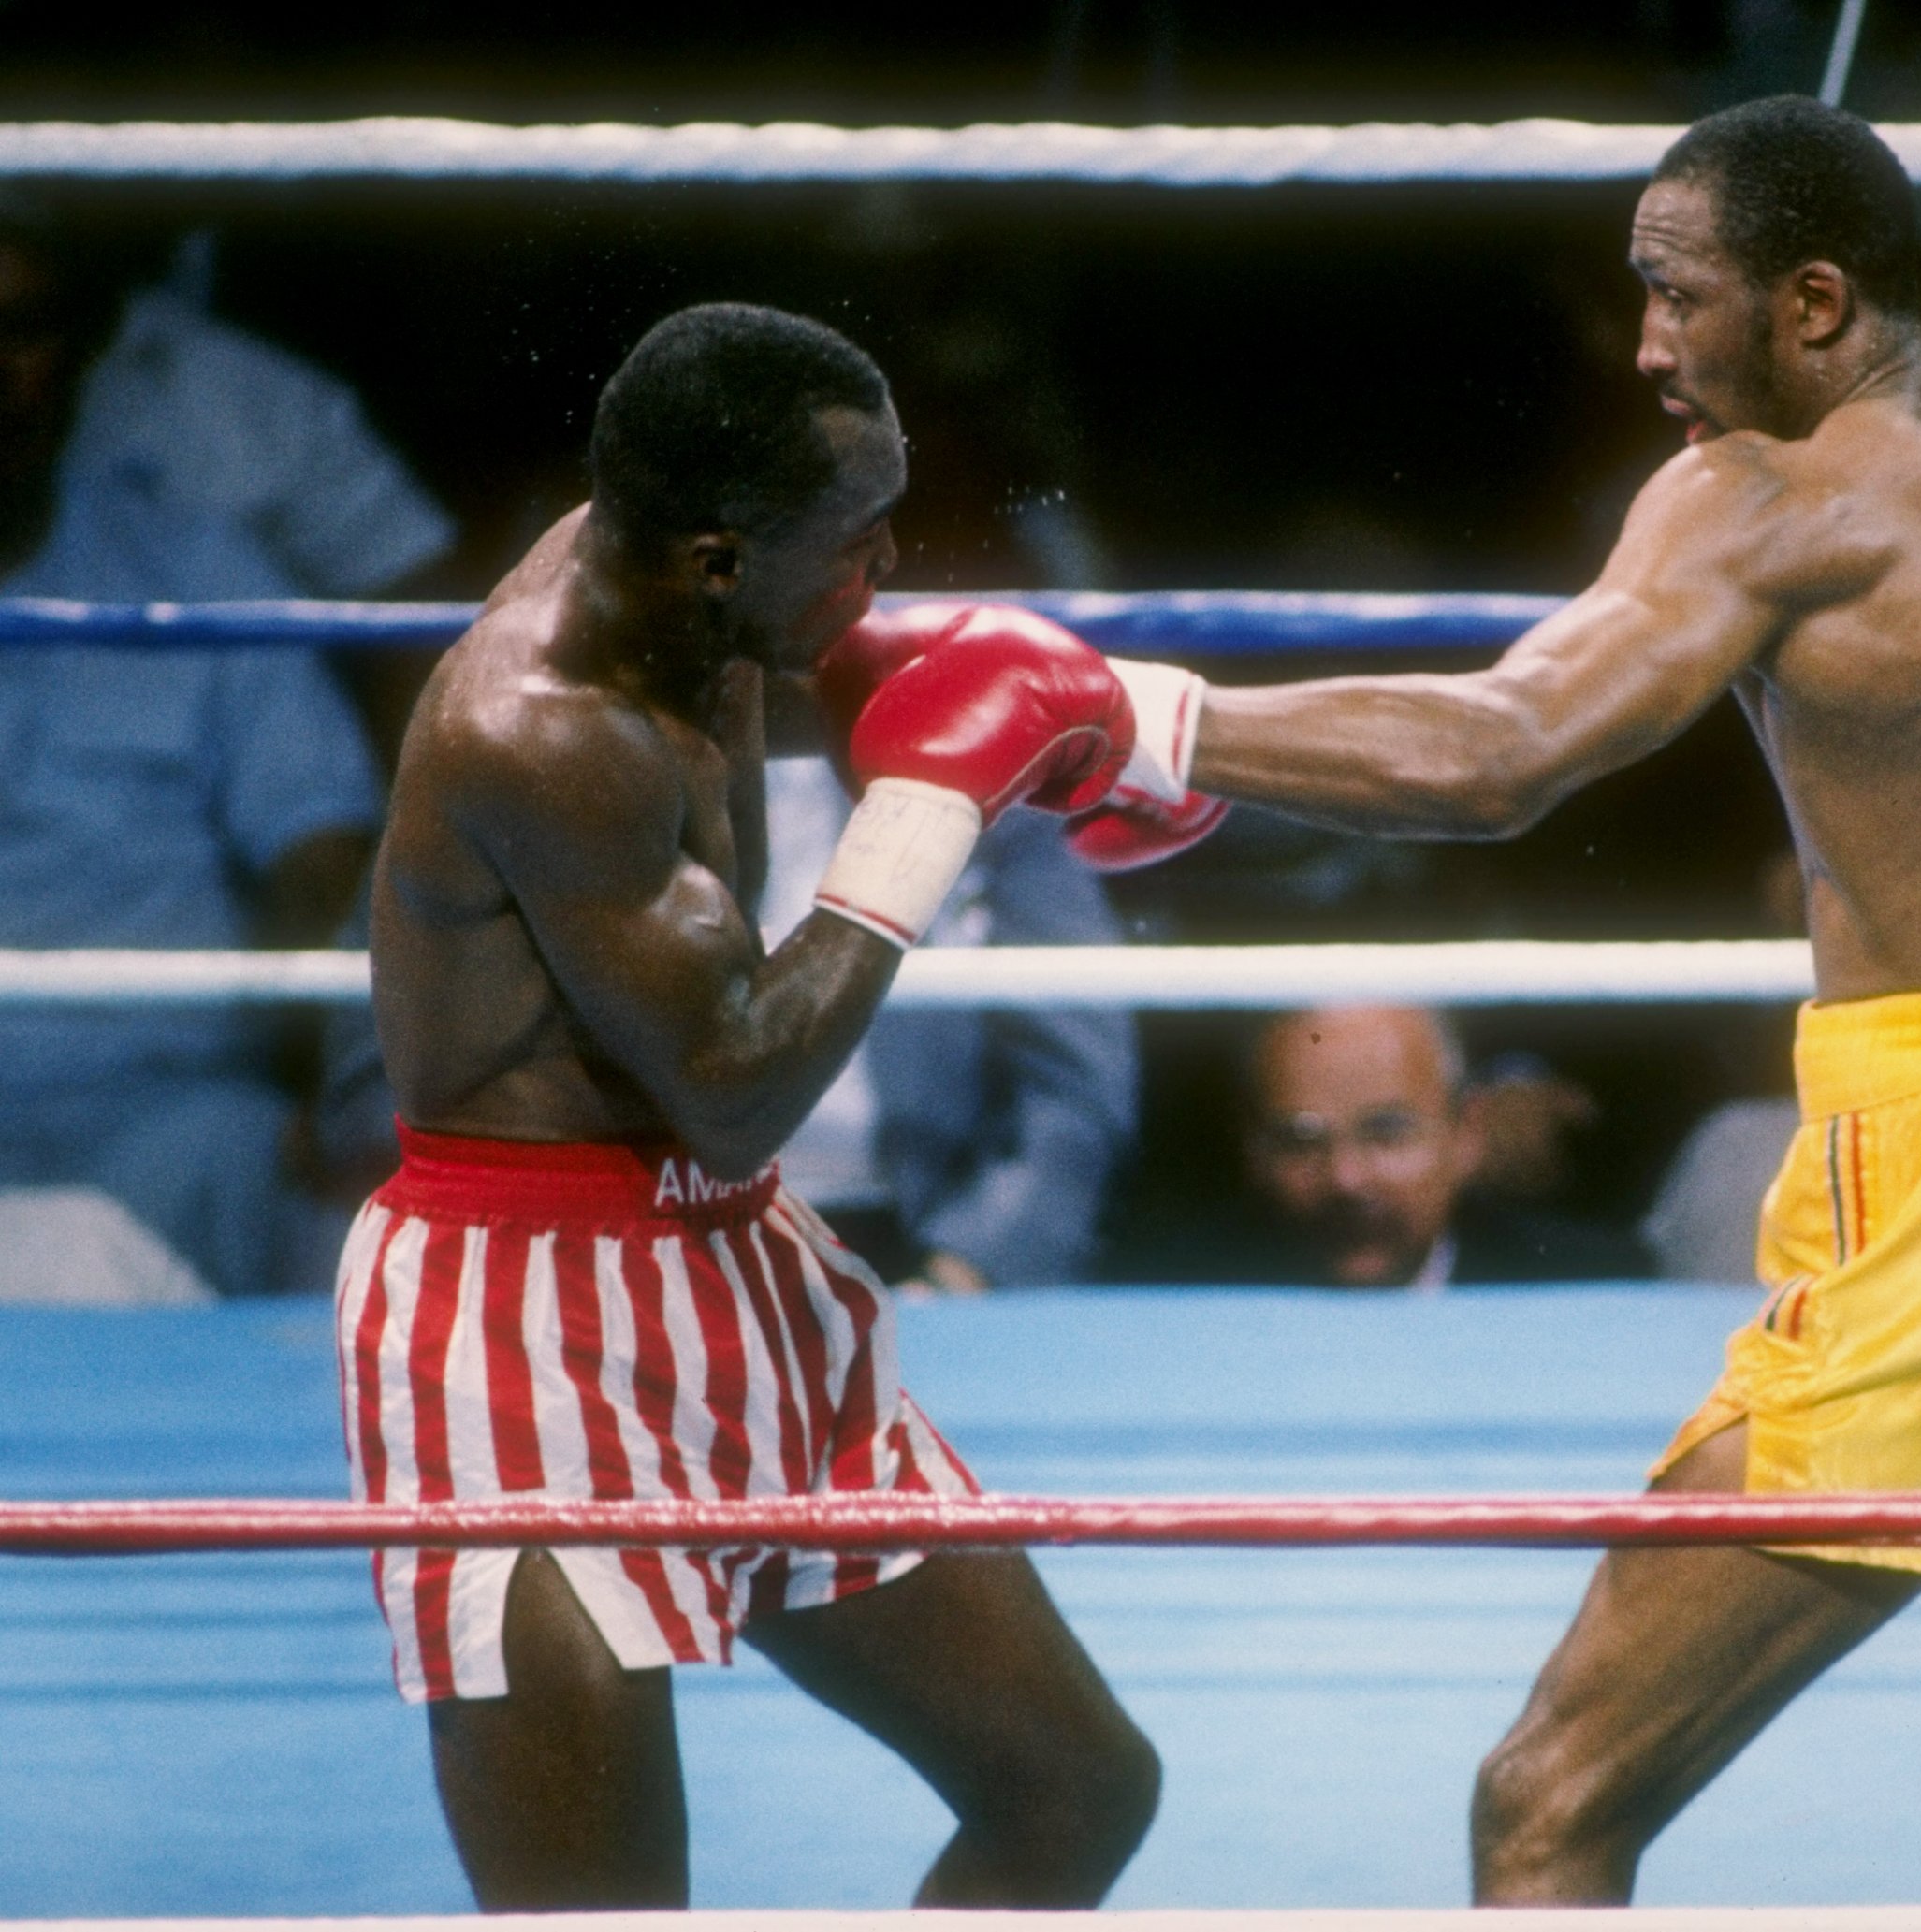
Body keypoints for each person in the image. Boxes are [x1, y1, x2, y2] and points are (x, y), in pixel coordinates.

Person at [1081, 97, 1921, 1899]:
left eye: (1674, 294)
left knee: (1549, 1796)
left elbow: (1502, 751)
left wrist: (1142, 722)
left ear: (1812, 303)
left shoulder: (1760, 507)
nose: (1644, 345)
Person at [346, 302, 1157, 1908]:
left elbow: (723, 1106)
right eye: (855, 542)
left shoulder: (680, 591)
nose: (886, 573)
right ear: (719, 560)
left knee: (1072, 1788)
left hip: (743, 1276)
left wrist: (1113, 729)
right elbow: (730, 1090)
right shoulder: (545, 729)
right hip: (528, 1333)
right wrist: (928, 811)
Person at [1, 203, 438, 1297]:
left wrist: (336, 1094)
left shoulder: (196, 574)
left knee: (358, 1218)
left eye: (22, 329)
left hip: (167, 1128)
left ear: (83, 355)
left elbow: (327, 863)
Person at [757, 753, 1137, 1290]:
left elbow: (1074, 1078)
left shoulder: (996, 783)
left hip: (915, 1233)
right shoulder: (655, 772)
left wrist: (964, 1272)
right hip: (683, 1218)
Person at [1218, 1004, 1648, 1289]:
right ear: (1254, 1150)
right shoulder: (1189, 1291)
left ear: (1466, 1134)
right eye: (1301, 1143)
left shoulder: (1593, 1285)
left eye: (1387, 1135)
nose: (1346, 1179)